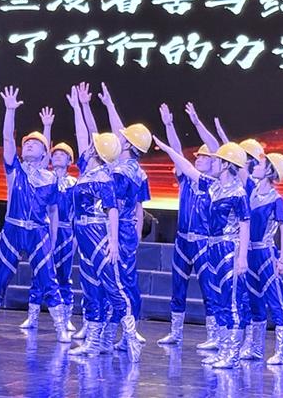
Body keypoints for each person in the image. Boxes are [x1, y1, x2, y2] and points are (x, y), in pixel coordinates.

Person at [0, 86, 69, 343]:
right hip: (13, 230)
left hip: (38, 232)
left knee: (49, 280)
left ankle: (61, 327)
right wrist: (10, 110)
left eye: (35, 144)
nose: (29, 145)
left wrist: (52, 240)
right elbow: (7, 139)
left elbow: (54, 212)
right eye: (26, 143)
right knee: (0, 279)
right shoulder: (16, 171)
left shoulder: (51, 179)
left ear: (45, 152)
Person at [153, 138, 250, 369]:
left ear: (226, 165)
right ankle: (223, 350)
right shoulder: (214, 186)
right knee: (220, 300)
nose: (213, 162)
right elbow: (188, 169)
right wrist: (168, 149)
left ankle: (232, 355)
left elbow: (245, 224)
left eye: (217, 160)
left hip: (229, 248)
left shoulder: (238, 193)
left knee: (231, 302)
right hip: (213, 247)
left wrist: (242, 257)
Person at [65, 85, 143, 363]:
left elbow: (112, 211)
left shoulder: (106, 177)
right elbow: (83, 134)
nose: (87, 145)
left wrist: (112, 241)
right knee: (90, 287)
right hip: (83, 232)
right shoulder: (88, 171)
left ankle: (131, 336)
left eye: (92, 145)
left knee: (112, 285)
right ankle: (94, 342)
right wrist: (78, 108)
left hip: (99, 233)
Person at [156, 103, 220, 350]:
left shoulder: (214, 184)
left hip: (204, 241)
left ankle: (214, 335)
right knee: (177, 287)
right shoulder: (185, 178)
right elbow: (177, 153)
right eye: (198, 157)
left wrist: (196, 122)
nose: (200, 159)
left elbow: (216, 148)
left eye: (204, 157)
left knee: (208, 288)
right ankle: (175, 332)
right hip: (183, 240)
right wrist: (169, 124)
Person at [20, 106, 77, 333]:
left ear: (70, 160)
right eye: (55, 153)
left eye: (63, 154)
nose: (58, 156)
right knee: (39, 272)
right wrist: (47, 127)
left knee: (63, 274)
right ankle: (32, 316)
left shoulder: (74, 184)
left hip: (66, 232)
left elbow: (76, 213)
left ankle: (66, 317)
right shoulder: (46, 178)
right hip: (45, 229)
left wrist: (74, 238)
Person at [240, 153, 283, 365]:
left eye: (260, 164)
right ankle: (256, 349)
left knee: (275, 301)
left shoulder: (276, 199)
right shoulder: (251, 192)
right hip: (250, 254)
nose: (255, 166)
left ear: (270, 170)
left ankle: (281, 352)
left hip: (266, 254)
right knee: (254, 301)